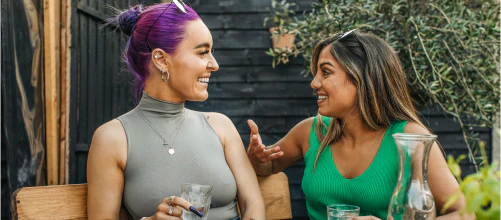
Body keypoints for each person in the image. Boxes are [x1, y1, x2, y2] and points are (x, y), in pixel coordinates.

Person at [246, 30, 472, 220]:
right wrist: (258, 159)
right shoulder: (310, 131)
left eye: (325, 72)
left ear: (362, 77)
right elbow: (270, 167)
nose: (314, 83)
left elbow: (464, 213)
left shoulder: (410, 137)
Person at [86, 2, 265, 220]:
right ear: (161, 60)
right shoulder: (113, 138)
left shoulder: (220, 126)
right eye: (202, 52)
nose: (214, 64)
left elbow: (253, 203)